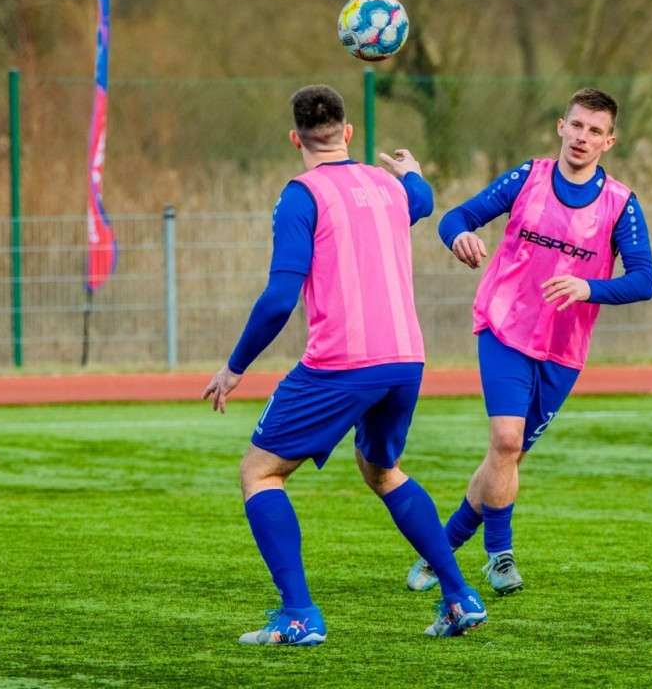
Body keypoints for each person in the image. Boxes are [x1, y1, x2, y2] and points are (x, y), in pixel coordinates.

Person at [203, 84, 486, 645]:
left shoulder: (301, 195)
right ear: (348, 133)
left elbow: (280, 298)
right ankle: (459, 597)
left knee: (259, 472)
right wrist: (412, 171)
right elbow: (423, 199)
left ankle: (299, 615)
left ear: (296, 139)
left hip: (341, 364)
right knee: (382, 471)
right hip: (405, 358)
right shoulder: (388, 187)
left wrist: (235, 366)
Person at [406, 87, 652, 596]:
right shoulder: (528, 178)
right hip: (504, 327)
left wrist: (590, 287)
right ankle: (500, 558)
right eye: (576, 125)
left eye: (595, 130)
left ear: (609, 142)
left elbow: (644, 280)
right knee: (506, 441)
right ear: (561, 127)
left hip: (563, 350)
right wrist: (458, 237)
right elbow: (456, 218)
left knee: (507, 459)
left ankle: (439, 552)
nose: (582, 137)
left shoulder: (621, 204)